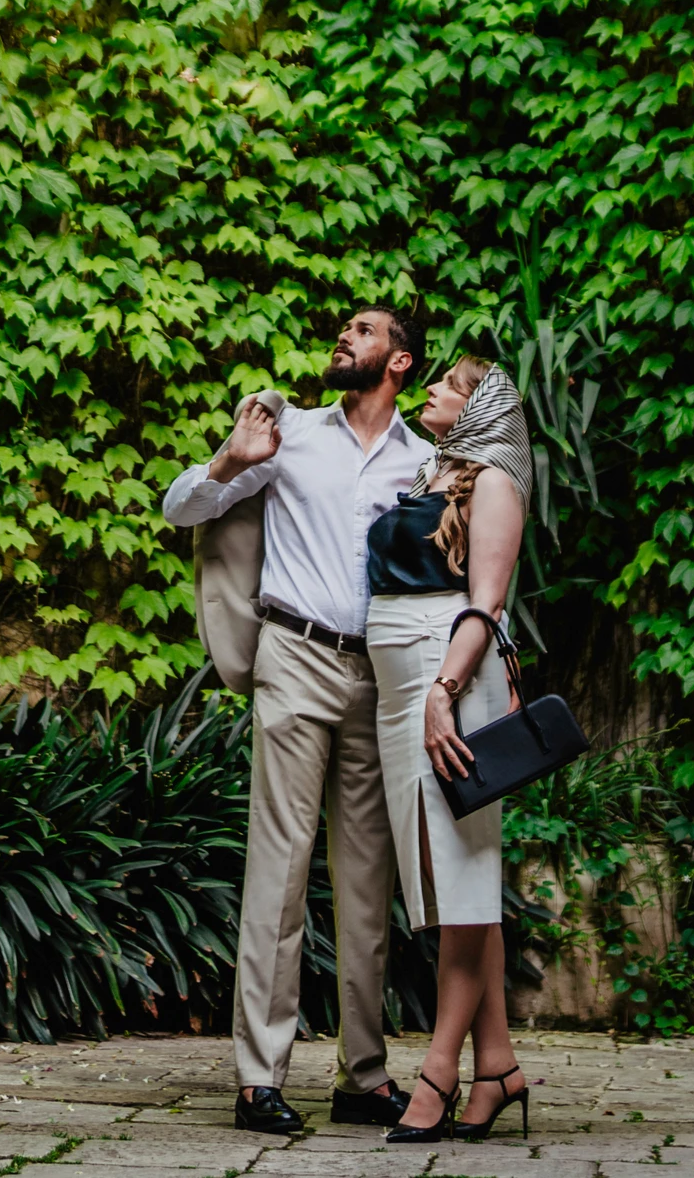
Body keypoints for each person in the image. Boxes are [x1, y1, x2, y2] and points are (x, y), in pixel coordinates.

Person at [161, 307, 428, 1136]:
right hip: (292, 657)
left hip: (378, 675)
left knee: (364, 884)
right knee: (276, 873)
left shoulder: (423, 462)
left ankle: (362, 1074)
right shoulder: (290, 435)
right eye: (344, 328)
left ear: (400, 363)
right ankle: (257, 1078)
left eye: (365, 331)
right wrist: (228, 458)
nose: (344, 337)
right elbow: (181, 509)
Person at [364, 354, 534, 1144]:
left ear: (479, 406)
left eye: (448, 385)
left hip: (449, 682)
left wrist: (440, 693)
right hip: (407, 687)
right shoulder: (437, 474)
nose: (429, 390)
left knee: (458, 891)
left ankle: (436, 1073)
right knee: (455, 885)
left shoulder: (494, 479)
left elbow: (487, 601)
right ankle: (496, 1065)